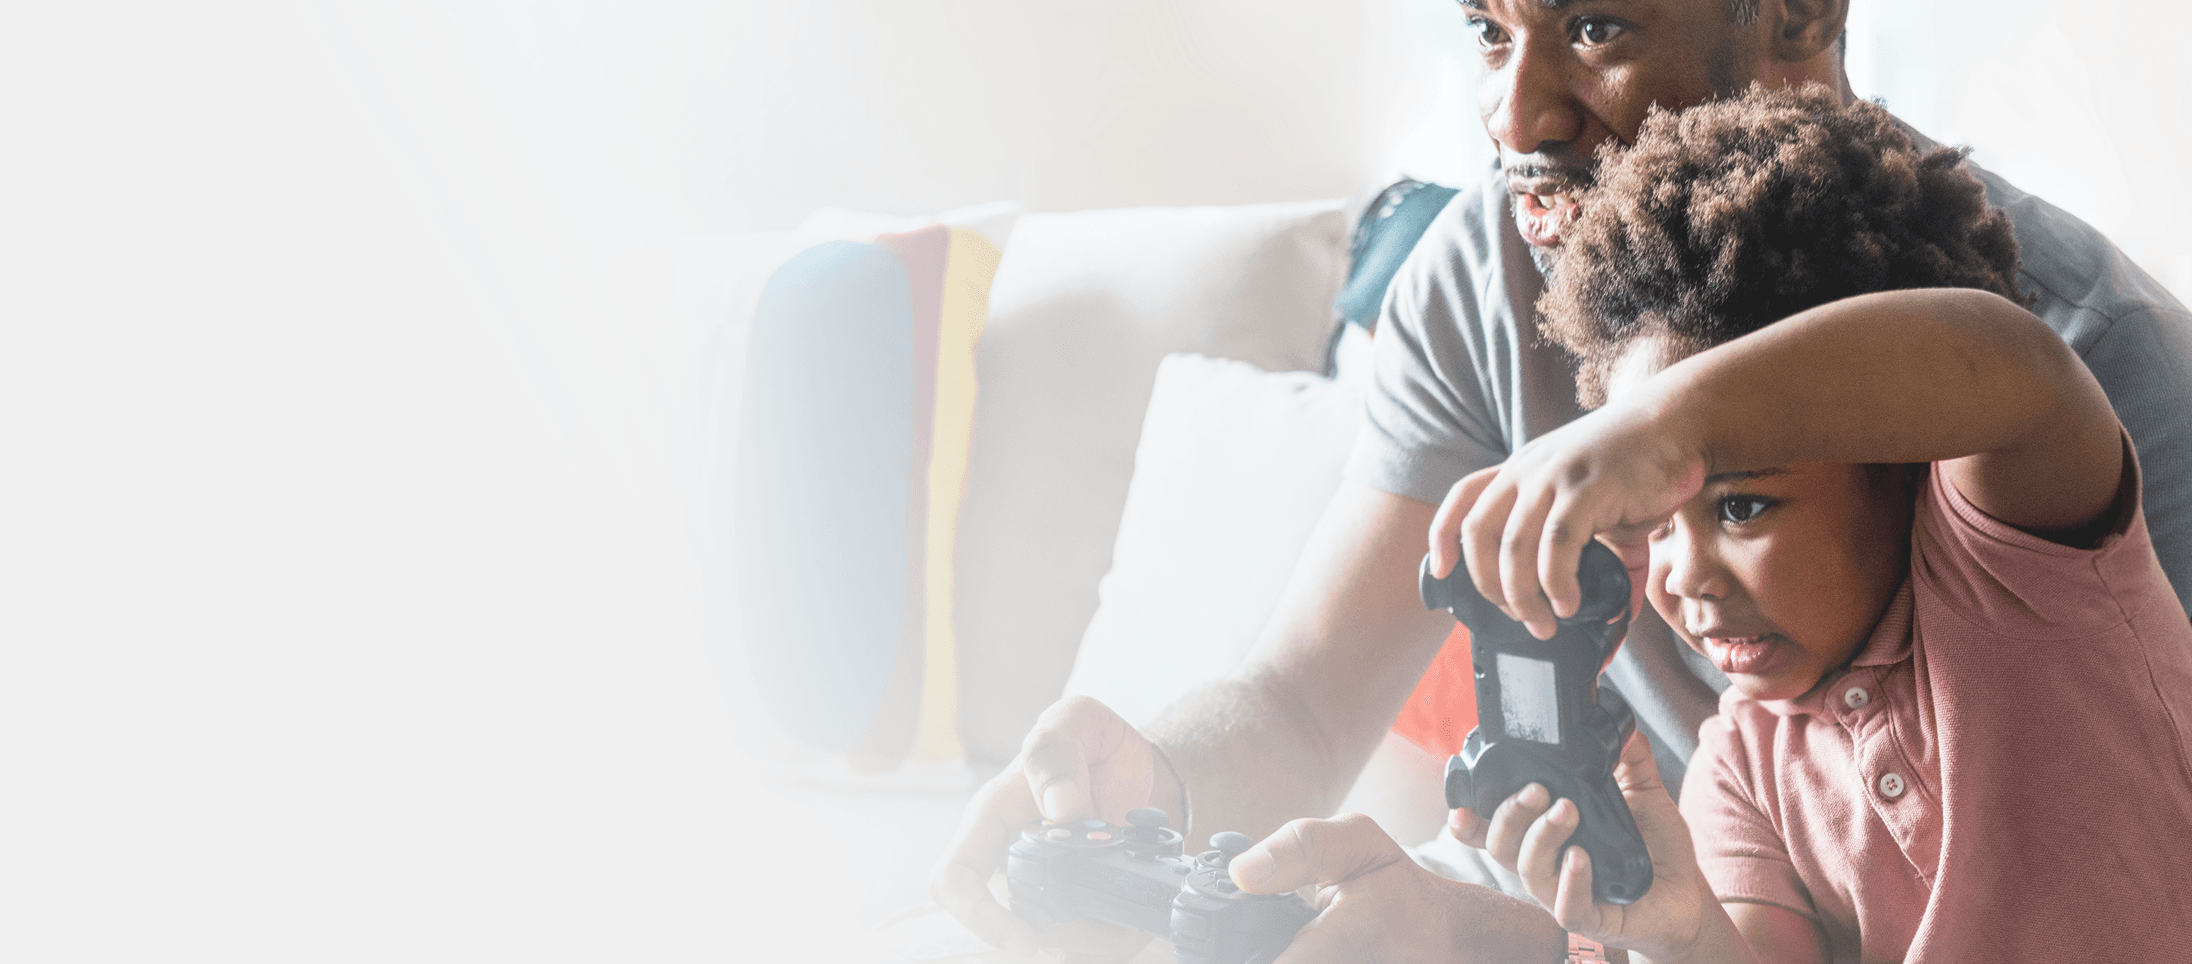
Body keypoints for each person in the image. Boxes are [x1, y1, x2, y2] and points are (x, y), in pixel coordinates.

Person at [931, 0, 2192, 960]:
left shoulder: (2080, 376)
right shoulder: (1490, 263)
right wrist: (1146, 787)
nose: (1514, 115)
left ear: (1800, 13)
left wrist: (1660, 432)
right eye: (1488, 30)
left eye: (1594, 27)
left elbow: (2005, 376)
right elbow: (1302, 704)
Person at [1433, 83, 2192, 963]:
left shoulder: (2020, 579)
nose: (1685, 575)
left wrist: (1668, 429)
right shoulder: (1739, 770)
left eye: (1740, 506)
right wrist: (1683, 931)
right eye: (1658, 524)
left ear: (1905, 458)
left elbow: (2013, 365)